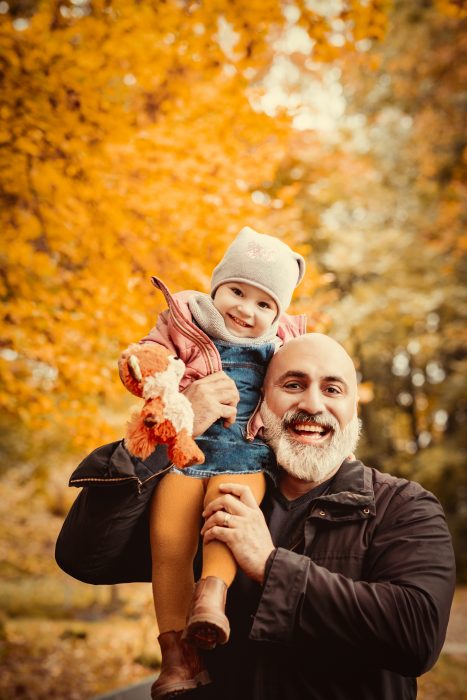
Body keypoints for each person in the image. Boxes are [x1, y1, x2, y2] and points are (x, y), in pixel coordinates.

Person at [183, 333, 455, 700]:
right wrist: (171, 427)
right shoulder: (211, 495)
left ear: (353, 409)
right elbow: (88, 556)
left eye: (332, 390)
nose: (312, 404)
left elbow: (417, 634)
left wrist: (270, 565)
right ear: (261, 402)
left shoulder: (405, 506)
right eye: (293, 384)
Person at [118, 227, 306, 698]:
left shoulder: (282, 343)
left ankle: (211, 599)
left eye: (265, 303)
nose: (246, 309)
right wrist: (146, 364)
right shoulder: (185, 319)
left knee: (225, 516)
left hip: (245, 456)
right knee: (167, 542)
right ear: (216, 285)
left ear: (278, 313)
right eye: (237, 291)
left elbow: (303, 381)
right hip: (184, 454)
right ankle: (178, 658)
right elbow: (153, 353)